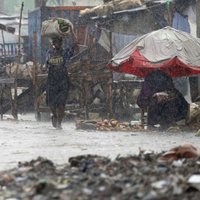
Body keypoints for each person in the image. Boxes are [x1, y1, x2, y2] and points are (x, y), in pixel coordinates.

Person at [45, 31, 78, 129]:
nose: (58, 44)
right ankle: (54, 115)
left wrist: (74, 39)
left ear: (61, 43)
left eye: (59, 42)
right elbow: (47, 65)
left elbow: (73, 48)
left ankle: (59, 123)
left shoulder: (65, 52)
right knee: (51, 103)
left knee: (61, 103)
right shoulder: (49, 53)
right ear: (53, 44)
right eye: (56, 43)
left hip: (63, 80)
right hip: (52, 80)